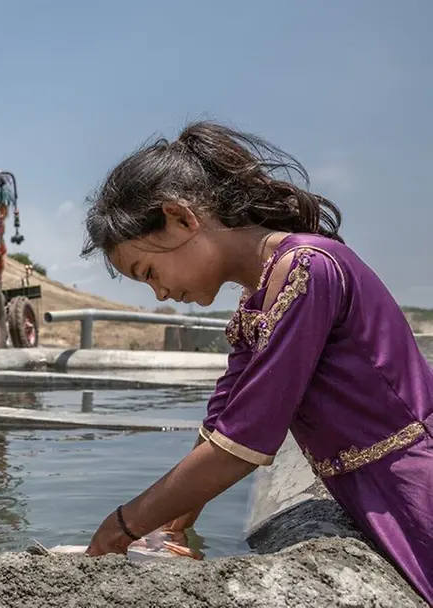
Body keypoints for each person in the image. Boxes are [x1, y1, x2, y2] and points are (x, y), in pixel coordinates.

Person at [78, 120, 433, 604]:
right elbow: (223, 418)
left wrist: (121, 527)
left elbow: (247, 437)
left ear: (181, 218)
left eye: (149, 271)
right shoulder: (258, 296)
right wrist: (180, 515)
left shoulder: (309, 267)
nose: (160, 292)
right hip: (372, 491)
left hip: (413, 487)